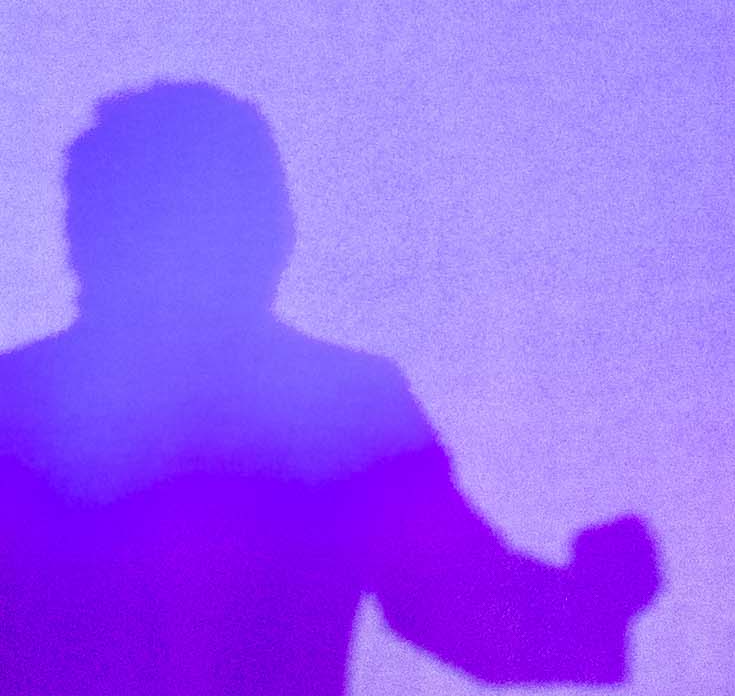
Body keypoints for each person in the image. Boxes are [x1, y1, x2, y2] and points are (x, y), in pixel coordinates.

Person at [0, 84, 663, 691]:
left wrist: (598, 603)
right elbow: (469, 613)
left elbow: (470, 611)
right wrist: (601, 599)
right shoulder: (341, 409)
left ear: (89, 235)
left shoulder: (19, 406)